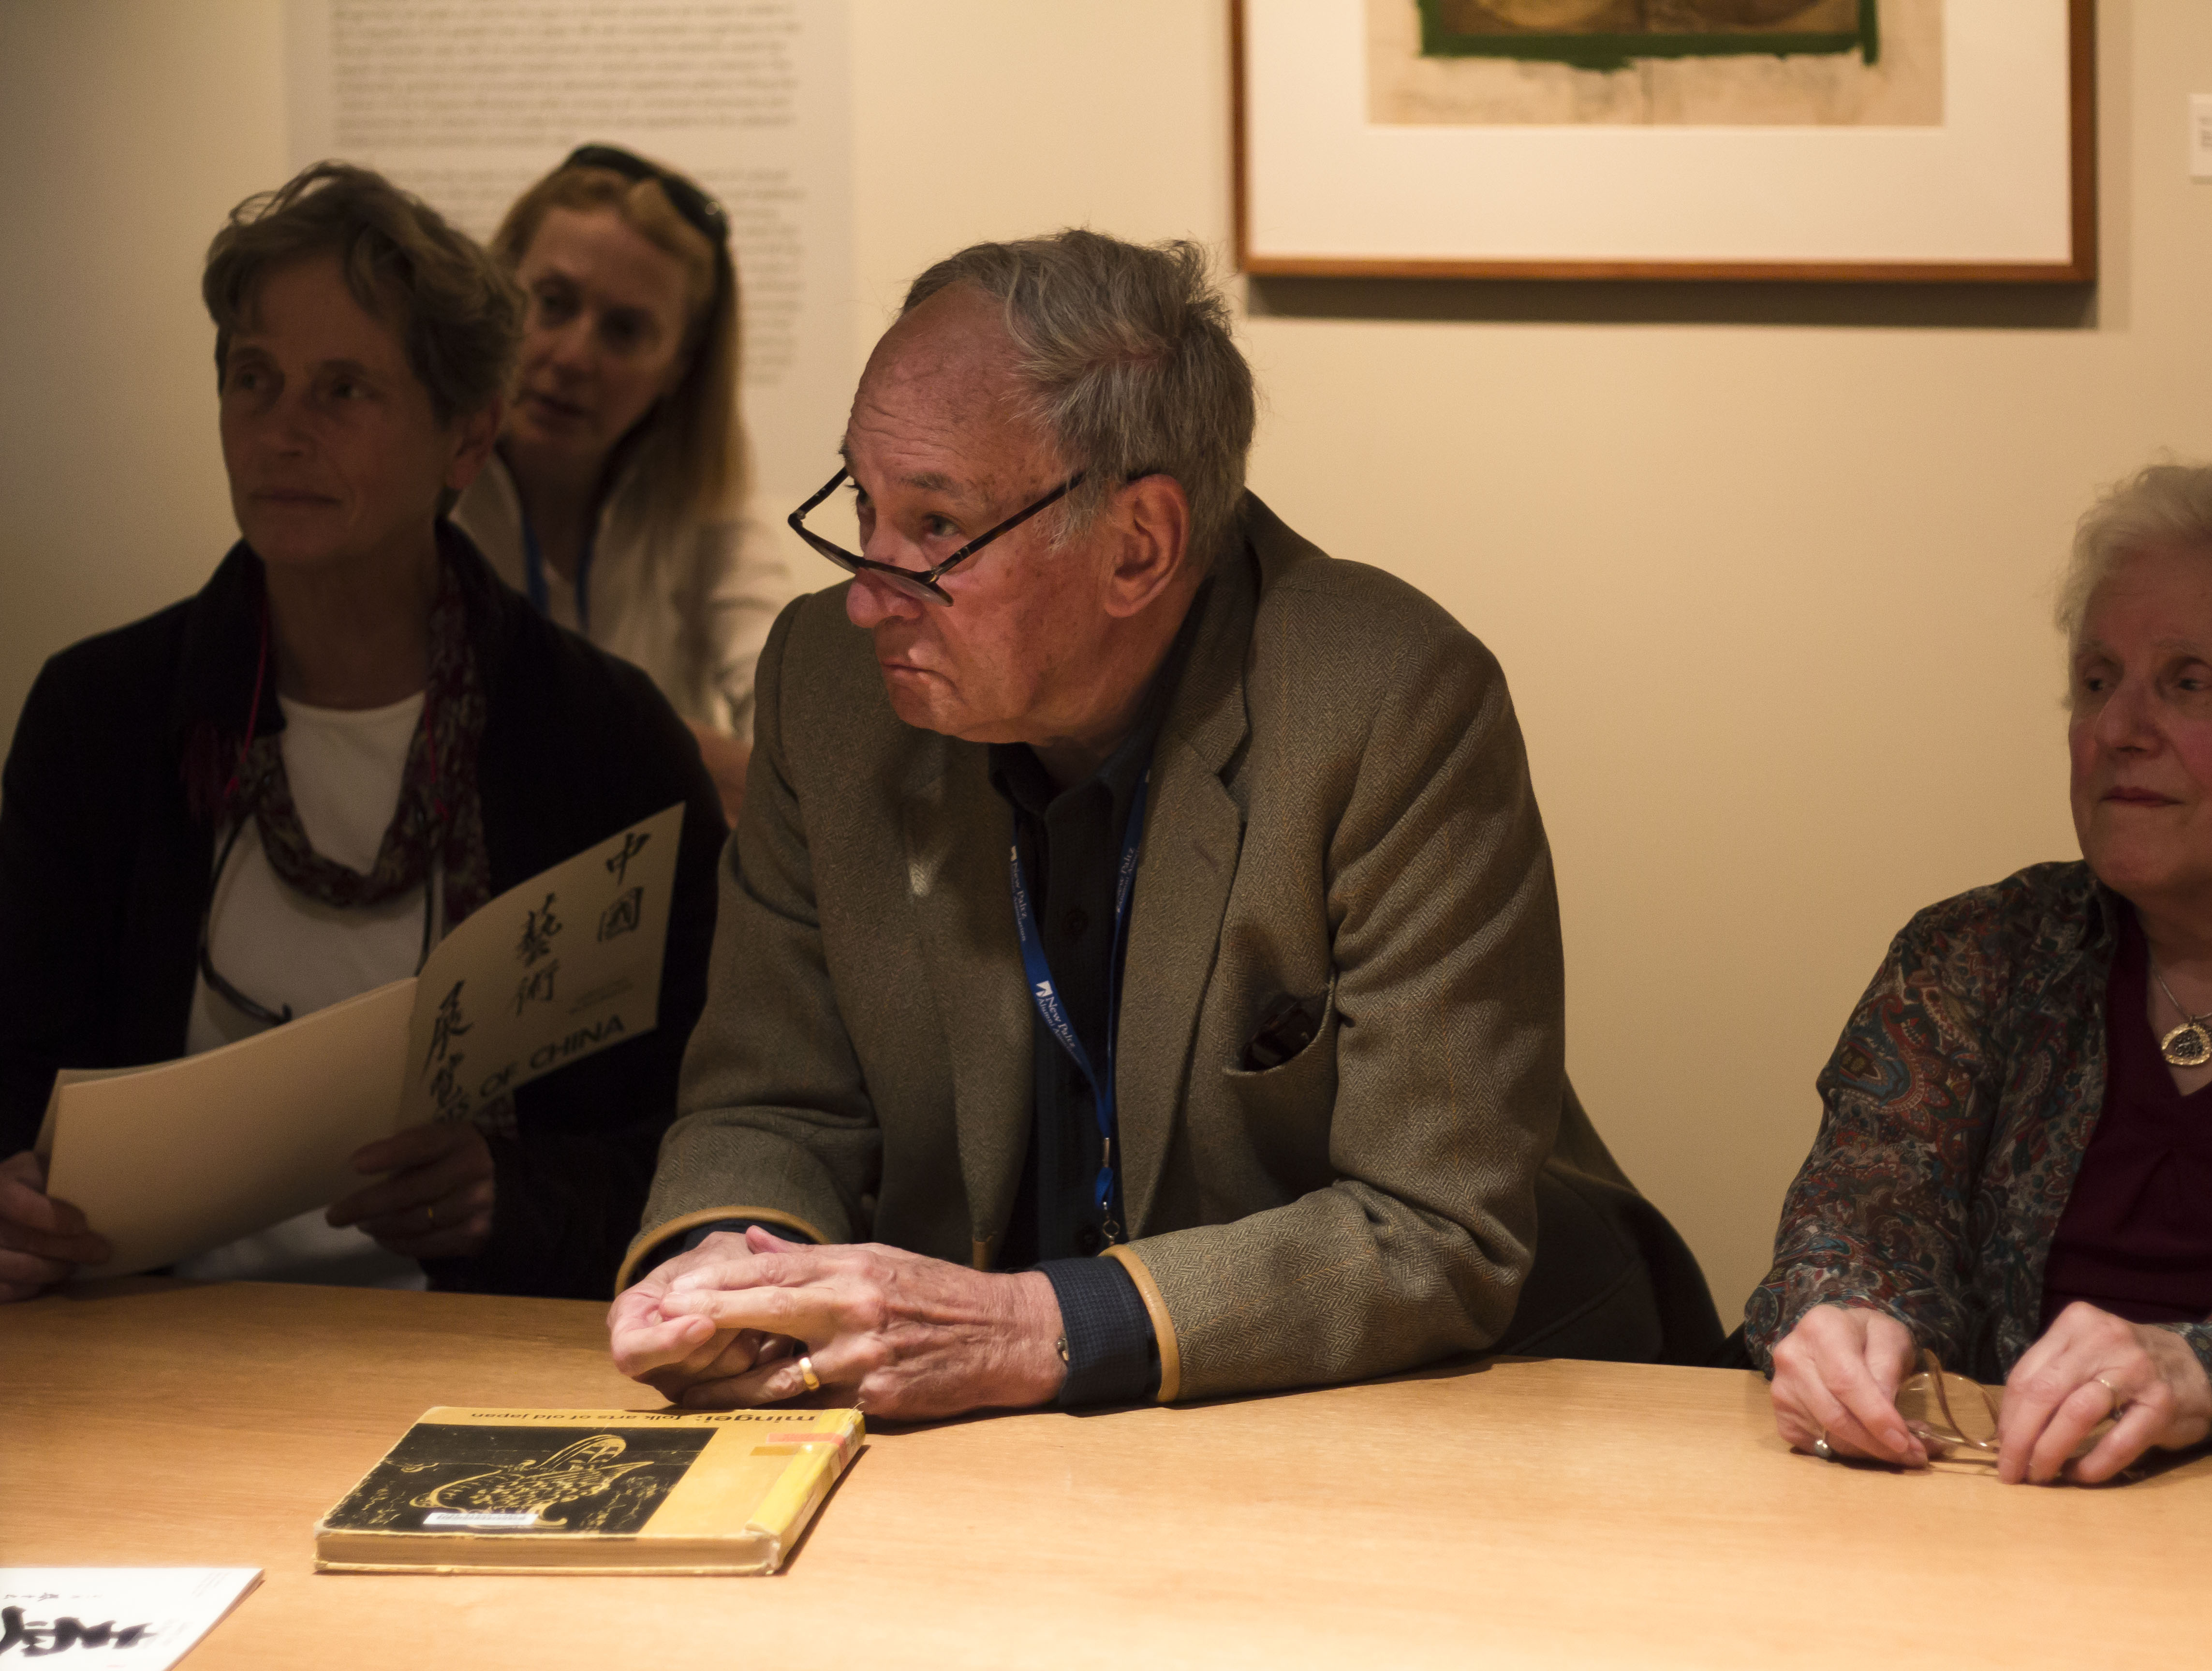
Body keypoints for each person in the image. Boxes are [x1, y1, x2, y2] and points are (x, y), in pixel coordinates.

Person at [607, 230, 1722, 1419]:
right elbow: (772, 1101)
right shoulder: (825, 692)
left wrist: (1038, 1326)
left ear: (1138, 545)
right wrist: (734, 1265)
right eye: (864, 504)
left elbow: (1432, 1228)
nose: (869, 590)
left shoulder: (1388, 705)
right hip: (1003, 1445)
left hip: (1436, 1409)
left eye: (934, 528)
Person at [0, 162, 725, 1303]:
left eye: (342, 391)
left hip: (478, 1354)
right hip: (144, 1343)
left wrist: (515, 1197)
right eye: (254, 379)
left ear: (465, 439)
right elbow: (15, 1072)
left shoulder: (600, 737)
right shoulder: (105, 717)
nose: (281, 433)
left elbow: (710, 1138)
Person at [1745, 459, 2212, 1484]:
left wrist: (2205, 1370)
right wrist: (1849, 1321)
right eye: (2099, 681)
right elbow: (1863, 1216)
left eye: (2187, 683)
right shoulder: (1975, 956)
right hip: (1982, 1526)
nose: (2116, 730)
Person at [452, 144, 799, 825]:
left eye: (625, 330)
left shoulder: (700, 494)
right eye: (551, 304)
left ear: (680, 366)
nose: (574, 357)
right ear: (498, 295)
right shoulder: (421, 482)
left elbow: (784, 692)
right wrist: (671, 751)